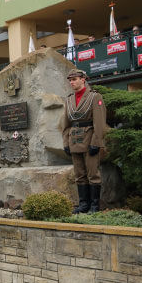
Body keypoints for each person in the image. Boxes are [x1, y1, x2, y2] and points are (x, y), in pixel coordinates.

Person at [61, 69, 107, 214]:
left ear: (83, 79)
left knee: (93, 174)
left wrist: (96, 142)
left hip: (89, 139)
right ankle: (83, 205)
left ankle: (94, 206)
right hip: (74, 139)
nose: (72, 82)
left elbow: (99, 122)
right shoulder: (69, 99)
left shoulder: (95, 97)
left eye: (74, 79)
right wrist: (65, 143)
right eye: (70, 80)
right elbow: (65, 124)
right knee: (79, 174)